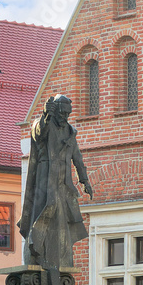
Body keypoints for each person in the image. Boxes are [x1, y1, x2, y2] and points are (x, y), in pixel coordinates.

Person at [17, 94, 93, 272]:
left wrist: (85, 180)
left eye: (68, 113)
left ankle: (58, 255)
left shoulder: (70, 132)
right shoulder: (45, 124)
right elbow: (38, 132)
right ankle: (36, 247)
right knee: (45, 211)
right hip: (45, 179)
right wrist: (46, 116)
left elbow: (78, 159)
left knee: (62, 220)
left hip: (64, 182)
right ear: (56, 110)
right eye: (62, 113)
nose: (65, 117)